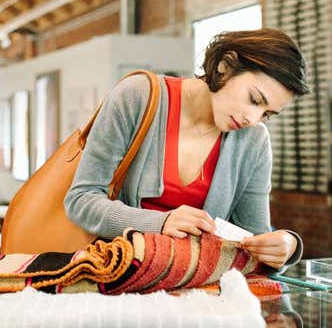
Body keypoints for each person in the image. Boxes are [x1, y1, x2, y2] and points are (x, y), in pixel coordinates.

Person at [64, 28, 310, 271]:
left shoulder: (254, 141)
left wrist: (287, 246)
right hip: (118, 275)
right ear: (225, 65)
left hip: (193, 290)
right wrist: (160, 223)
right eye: (255, 100)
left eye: (266, 114)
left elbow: (254, 235)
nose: (253, 118)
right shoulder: (136, 97)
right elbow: (80, 200)